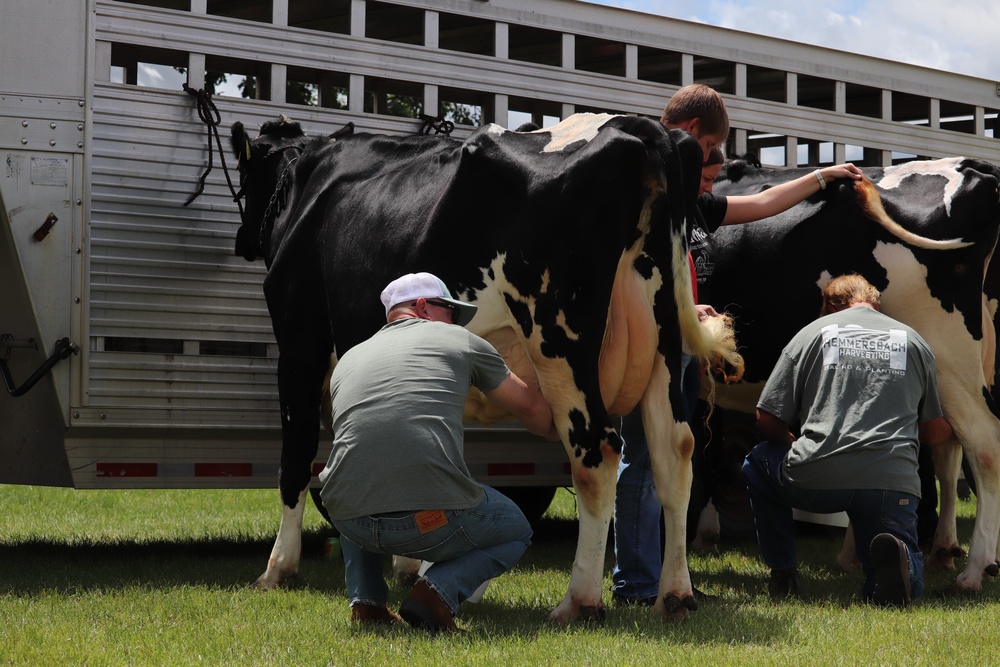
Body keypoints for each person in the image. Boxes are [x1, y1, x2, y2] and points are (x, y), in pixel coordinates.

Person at [611, 84, 865, 606]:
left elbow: (765, 202)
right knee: (642, 457)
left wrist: (822, 177)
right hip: (650, 346)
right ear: (690, 135)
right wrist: (684, 311)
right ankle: (634, 582)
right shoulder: (641, 196)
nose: (706, 173)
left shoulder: (691, 204)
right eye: (706, 157)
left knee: (670, 457)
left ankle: (665, 572)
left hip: (680, 347)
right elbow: (630, 278)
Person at [318, 272, 553, 632]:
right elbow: (532, 409)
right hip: (430, 520)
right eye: (451, 312)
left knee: (359, 474)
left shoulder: (349, 359)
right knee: (515, 529)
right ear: (423, 307)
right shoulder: (459, 340)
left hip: (348, 520)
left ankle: (367, 606)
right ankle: (435, 595)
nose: (455, 322)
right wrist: (563, 426)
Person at [741, 274, 953, 606]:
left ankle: (783, 573)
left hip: (816, 473)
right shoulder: (913, 340)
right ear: (876, 304)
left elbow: (766, 417)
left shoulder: (811, 333)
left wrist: (790, 440)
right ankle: (898, 572)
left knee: (758, 461)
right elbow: (934, 432)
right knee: (893, 547)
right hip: (889, 480)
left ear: (829, 305)